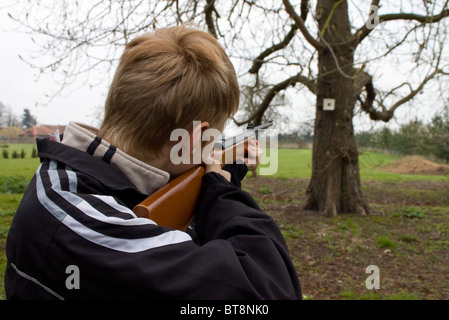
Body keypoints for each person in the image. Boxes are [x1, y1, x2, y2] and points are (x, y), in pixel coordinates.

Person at [5, 25, 301, 300]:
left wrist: (229, 169)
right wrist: (224, 195)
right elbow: (270, 288)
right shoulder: (78, 220)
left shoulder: (76, 180)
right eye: (212, 139)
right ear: (189, 141)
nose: (213, 149)